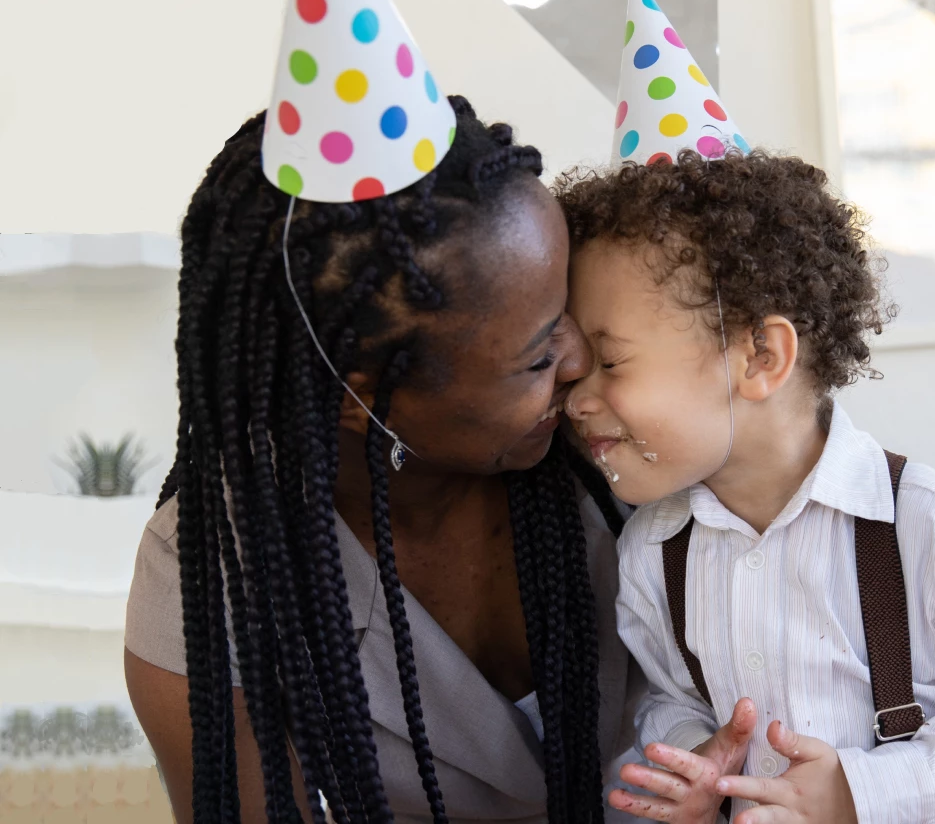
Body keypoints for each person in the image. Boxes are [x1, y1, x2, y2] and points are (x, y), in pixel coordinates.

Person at [123, 96, 641, 824]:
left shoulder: (626, 442)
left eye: (569, 309)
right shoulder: (210, 576)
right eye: (534, 357)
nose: (581, 358)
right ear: (358, 397)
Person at [555, 148, 935, 824]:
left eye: (608, 361)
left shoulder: (929, 525)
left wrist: (865, 790)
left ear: (761, 358)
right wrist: (695, 753)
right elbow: (671, 696)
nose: (576, 398)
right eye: (574, 368)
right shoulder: (650, 548)